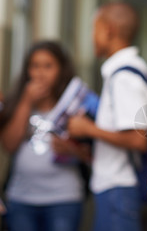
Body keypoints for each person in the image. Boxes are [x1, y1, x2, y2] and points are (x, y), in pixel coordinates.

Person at [67, 1, 147, 231]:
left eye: (94, 29)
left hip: (119, 188)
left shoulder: (124, 77)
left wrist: (87, 129)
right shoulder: (126, 72)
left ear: (108, 30)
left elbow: (138, 140)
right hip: (117, 187)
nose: (92, 37)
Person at [0, 41, 95, 231]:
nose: (40, 73)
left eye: (48, 66)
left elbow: (92, 155)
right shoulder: (16, 104)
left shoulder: (76, 108)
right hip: (21, 198)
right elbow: (9, 145)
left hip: (64, 198)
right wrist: (26, 101)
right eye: (35, 66)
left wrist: (72, 150)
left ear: (61, 70)